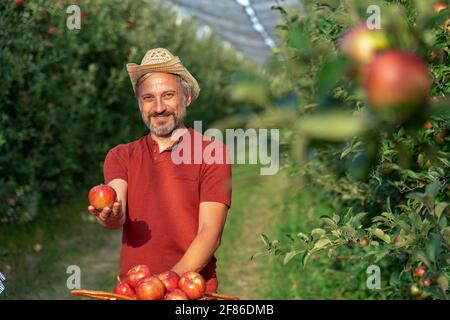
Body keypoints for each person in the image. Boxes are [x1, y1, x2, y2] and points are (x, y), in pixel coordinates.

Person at [87, 48, 231, 294]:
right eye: (148, 98)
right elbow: (117, 209)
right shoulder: (121, 155)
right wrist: (110, 215)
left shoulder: (212, 153)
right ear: (140, 104)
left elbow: (210, 233)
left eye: (168, 95)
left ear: (186, 98)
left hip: (190, 292)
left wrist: (168, 283)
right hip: (133, 291)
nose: (159, 107)